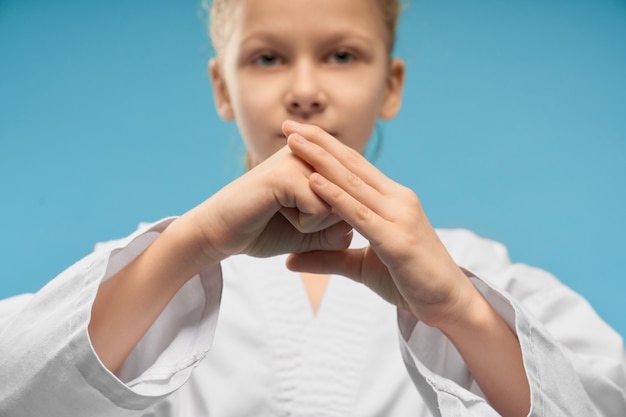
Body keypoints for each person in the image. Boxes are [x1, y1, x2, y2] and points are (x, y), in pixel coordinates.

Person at [0, 0, 624, 415]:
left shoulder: (482, 274)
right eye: (267, 58)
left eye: (342, 55)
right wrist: (191, 245)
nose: (304, 93)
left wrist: (460, 312)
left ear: (391, 84)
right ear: (223, 87)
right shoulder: (146, 269)